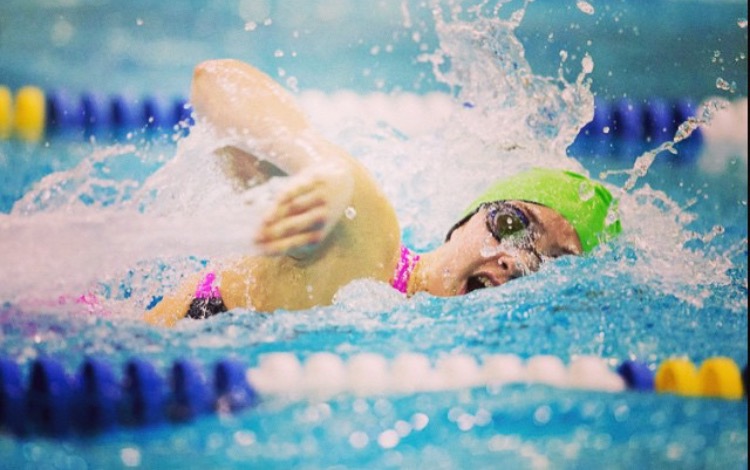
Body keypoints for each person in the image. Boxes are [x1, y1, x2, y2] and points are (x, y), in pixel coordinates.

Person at [144, 59, 621, 327]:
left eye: (548, 262)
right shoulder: (370, 245)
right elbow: (215, 80)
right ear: (466, 220)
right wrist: (317, 164)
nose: (514, 262)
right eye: (513, 226)